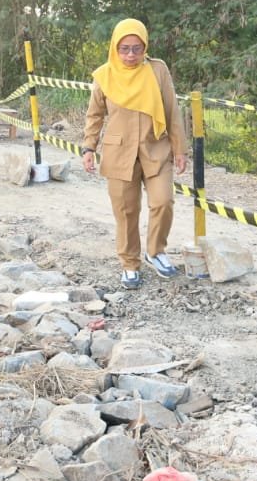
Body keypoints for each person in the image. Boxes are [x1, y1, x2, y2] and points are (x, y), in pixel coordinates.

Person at [80, 18, 188, 290]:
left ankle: (156, 251)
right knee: (126, 212)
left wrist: (179, 149)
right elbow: (94, 115)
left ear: (145, 47)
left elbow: (172, 111)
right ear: (115, 48)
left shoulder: (158, 71)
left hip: (156, 149)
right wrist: (88, 147)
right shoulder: (104, 76)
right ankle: (130, 264)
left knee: (163, 202)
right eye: (125, 49)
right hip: (118, 153)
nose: (130, 55)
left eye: (137, 49)